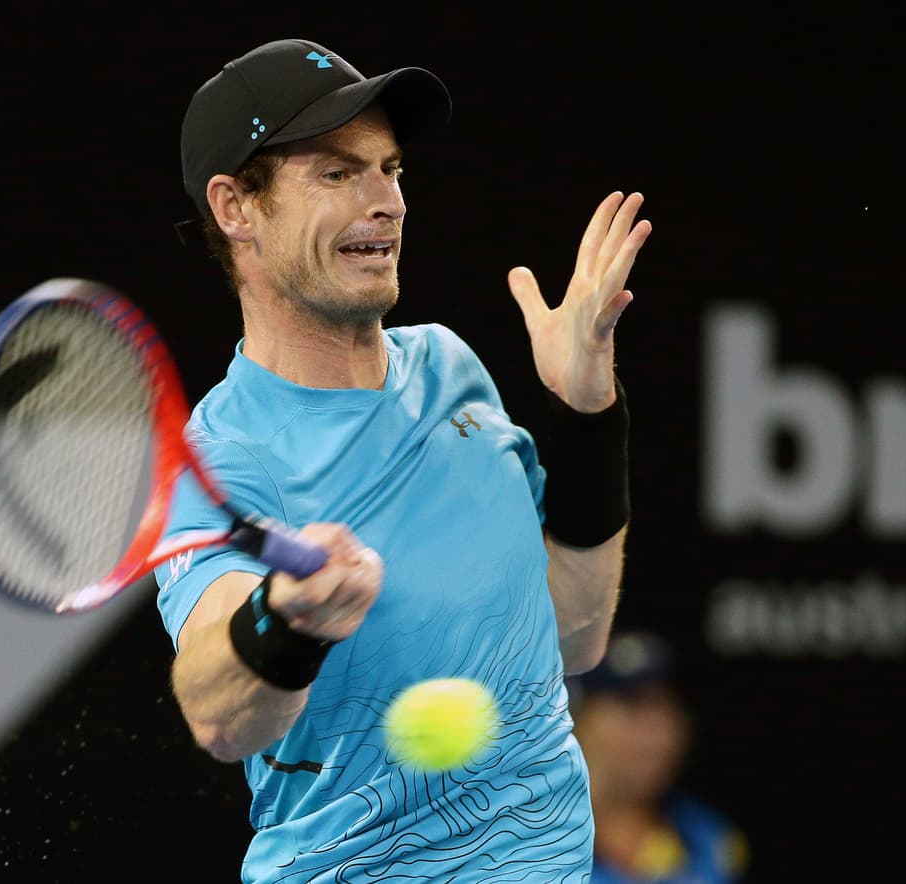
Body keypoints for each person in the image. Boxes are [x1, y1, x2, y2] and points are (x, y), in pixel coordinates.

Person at [154, 37, 651, 882]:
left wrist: (588, 417)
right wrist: (288, 618)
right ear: (237, 207)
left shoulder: (453, 367)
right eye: (338, 173)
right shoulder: (227, 458)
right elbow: (216, 712)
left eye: (390, 170)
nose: (386, 202)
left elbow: (575, 634)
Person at [568, 631, 750, 883]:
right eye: (632, 705)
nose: (659, 731)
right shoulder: (519, 838)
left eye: (666, 705)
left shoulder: (710, 841)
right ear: (578, 718)